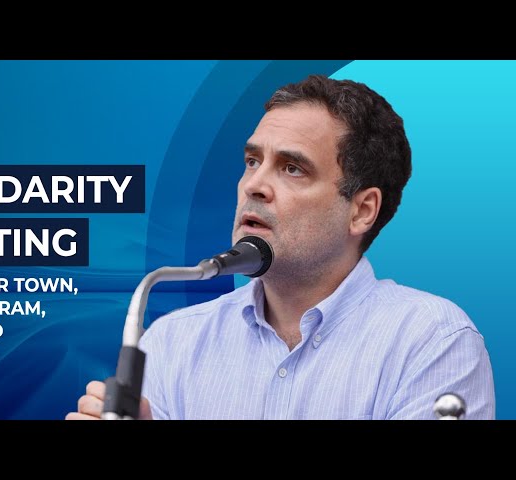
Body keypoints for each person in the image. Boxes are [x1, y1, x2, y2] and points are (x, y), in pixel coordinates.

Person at [66, 74, 495, 420]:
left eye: (292, 168)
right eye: (253, 161)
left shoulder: (432, 341)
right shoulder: (171, 343)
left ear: (362, 210)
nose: (254, 185)